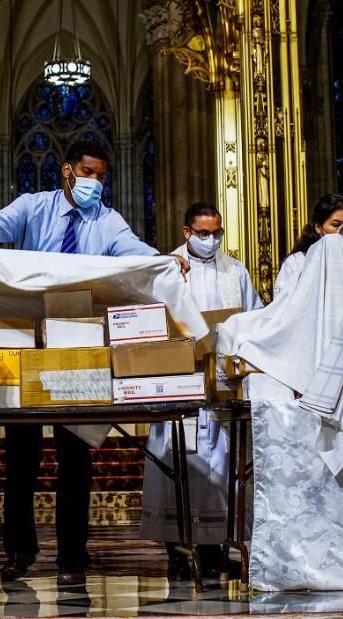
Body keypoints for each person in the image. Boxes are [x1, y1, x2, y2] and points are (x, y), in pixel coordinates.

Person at [0, 140, 183, 587]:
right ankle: (19, 550)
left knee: (75, 455)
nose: (95, 183)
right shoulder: (35, 207)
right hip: (26, 341)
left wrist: (167, 260)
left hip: (78, 347)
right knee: (21, 455)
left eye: (102, 176)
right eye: (88, 173)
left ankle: (72, 554)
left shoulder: (107, 220)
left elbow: (133, 249)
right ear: (67, 171)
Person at [142, 203, 263, 578]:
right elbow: (148, 316)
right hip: (180, 380)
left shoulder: (235, 270)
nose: (211, 241)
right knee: (176, 466)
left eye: (217, 233)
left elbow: (254, 315)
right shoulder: (167, 268)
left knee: (220, 469)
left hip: (222, 384)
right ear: (186, 232)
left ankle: (215, 548)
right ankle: (176, 550)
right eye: (204, 233)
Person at [274, 194, 343, 300]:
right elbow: (281, 302)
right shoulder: (296, 262)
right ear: (318, 227)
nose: (342, 231)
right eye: (336, 225)